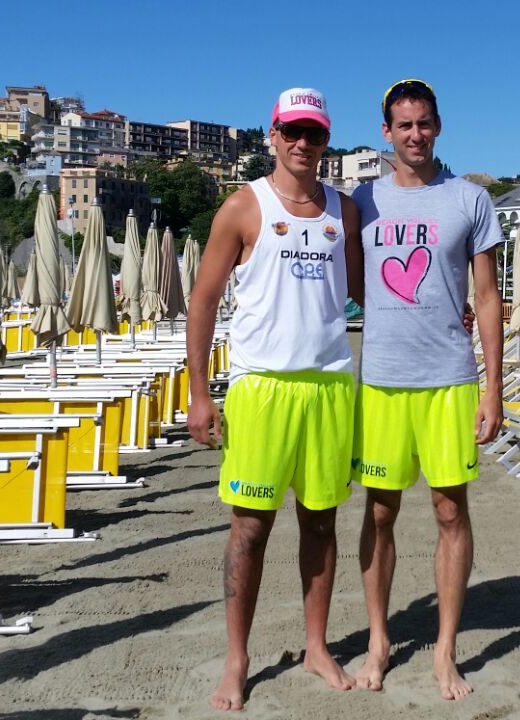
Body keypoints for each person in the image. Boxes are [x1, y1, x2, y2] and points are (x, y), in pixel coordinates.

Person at [186, 87, 363, 712]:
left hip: (329, 385)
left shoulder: (345, 210)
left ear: (325, 139)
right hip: (261, 386)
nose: (301, 143)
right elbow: (203, 301)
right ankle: (238, 659)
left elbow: (371, 294)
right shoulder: (243, 206)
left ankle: (317, 646)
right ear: (272, 134)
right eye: (292, 131)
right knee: (250, 527)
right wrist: (199, 393)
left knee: (321, 520)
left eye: (313, 133)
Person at [349, 78, 505, 700]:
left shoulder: (469, 200)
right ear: (386, 133)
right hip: (383, 379)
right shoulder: (362, 202)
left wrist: (494, 389)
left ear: (438, 126)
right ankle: (379, 640)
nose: (415, 135)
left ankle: (444, 649)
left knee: (449, 510)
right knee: (380, 512)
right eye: (403, 125)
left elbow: (488, 298)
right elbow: (351, 285)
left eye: (425, 123)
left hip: (449, 380)